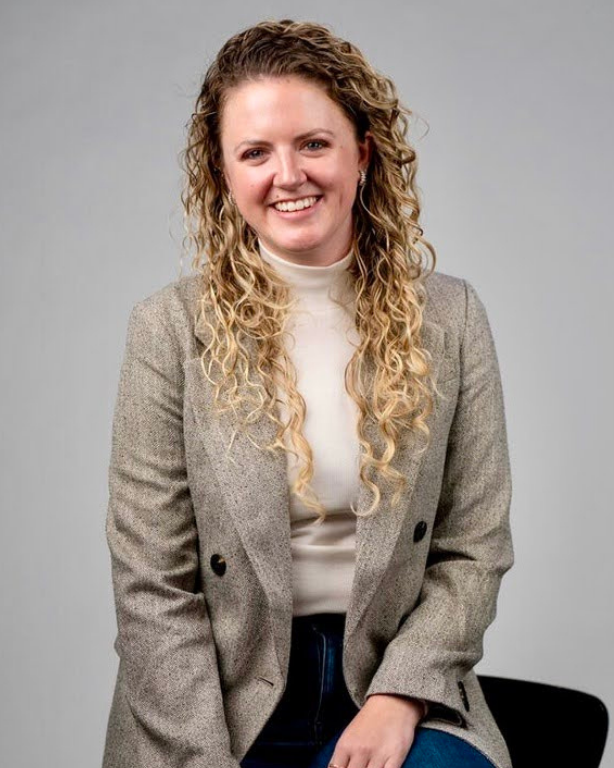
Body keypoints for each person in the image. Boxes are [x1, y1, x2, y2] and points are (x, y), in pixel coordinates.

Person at [101, 18, 514, 768]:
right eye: (255, 152)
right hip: (218, 704)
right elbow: (152, 585)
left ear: (364, 152)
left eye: (313, 144)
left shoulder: (450, 318)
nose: (287, 175)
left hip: (392, 685)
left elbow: (473, 547)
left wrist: (400, 697)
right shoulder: (169, 328)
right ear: (224, 175)